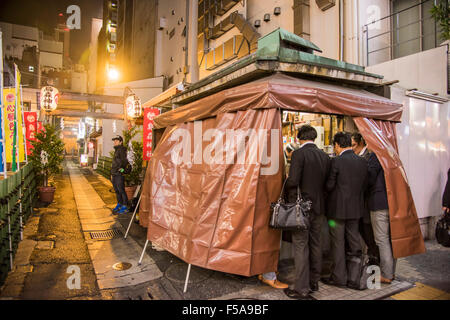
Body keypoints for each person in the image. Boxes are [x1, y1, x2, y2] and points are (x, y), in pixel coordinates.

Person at [282, 125, 331, 300]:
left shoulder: (298, 154)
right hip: (319, 207)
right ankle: (314, 282)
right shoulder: (325, 156)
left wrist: (285, 182)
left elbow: (293, 180)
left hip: (301, 209)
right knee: (316, 244)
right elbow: (328, 184)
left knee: (301, 246)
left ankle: (302, 288)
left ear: (299, 137)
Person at [323, 132, 368, 289]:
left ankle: (339, 278)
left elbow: (329, 185)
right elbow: (365, 184)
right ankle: (354, 276)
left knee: (338, 243)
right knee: (354, 242)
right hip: (356, 210)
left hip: (337, 212)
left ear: (336, 145)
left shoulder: (336, 162)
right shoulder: (362, 161)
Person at [351, 132, 380, 266]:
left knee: (368, 232)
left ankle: (374, 258)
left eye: (354, 145)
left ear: (361, 142)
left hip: (367, 202)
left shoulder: (369, 156)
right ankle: (370, 256)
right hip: (359, 202)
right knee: (363, 231)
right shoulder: (358, 156)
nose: (352, 148)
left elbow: (369, 179)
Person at [367, 152, 396, 284]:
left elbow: (370, 178)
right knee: (391, 239)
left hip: (379, 202)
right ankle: (391, 272)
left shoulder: (376, 154)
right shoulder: (393, 153)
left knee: (382, 240)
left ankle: (386, 274)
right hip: (393, 201)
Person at [111, 135, 129, 214]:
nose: (115, 142)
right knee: (117, 190)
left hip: (118, 174)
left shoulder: (121, 150)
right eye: (114, 141)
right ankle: (120, 204)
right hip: (114, 173)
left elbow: (124, 161)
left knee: (121, 190)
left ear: (121, 142)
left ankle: (125, 206)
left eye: (116, 141)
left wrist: (122, 170)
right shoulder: (117, 150)